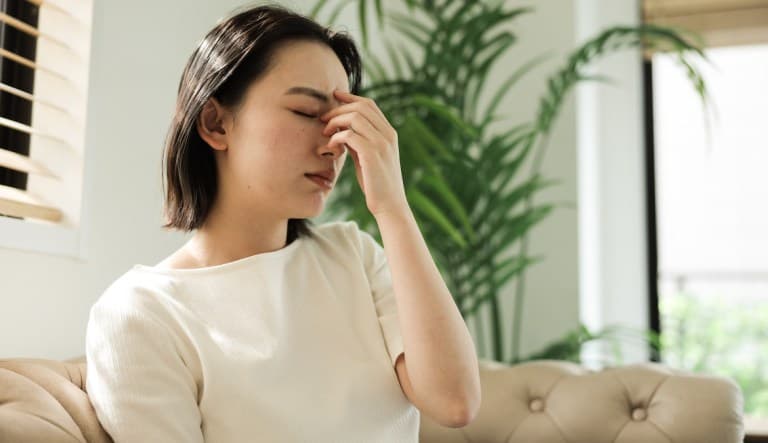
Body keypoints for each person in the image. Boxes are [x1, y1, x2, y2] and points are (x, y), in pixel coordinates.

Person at [85, 3, 480, 442]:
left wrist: (394, 209)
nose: (335, 146)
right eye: (307, 114)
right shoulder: (142, 314)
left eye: (340, 120)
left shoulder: (355, 256)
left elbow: (455, 401)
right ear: (216, 124)